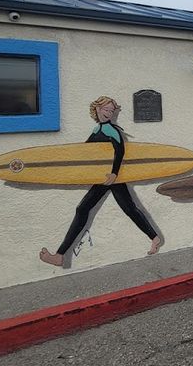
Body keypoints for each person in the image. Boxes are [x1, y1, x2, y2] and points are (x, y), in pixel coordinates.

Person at [39, 97, 161, 267]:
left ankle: (60, 255)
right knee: (129, 209)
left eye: (112, 111)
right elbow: (87, 151)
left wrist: (114, 173)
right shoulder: (98, 129)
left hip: (110, 178)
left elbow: (120, 151)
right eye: (106, 109)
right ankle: (154, 237)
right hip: (103, 177)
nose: (109, 113)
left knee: (85, 209)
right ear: (97, 109)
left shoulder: (111, 130)